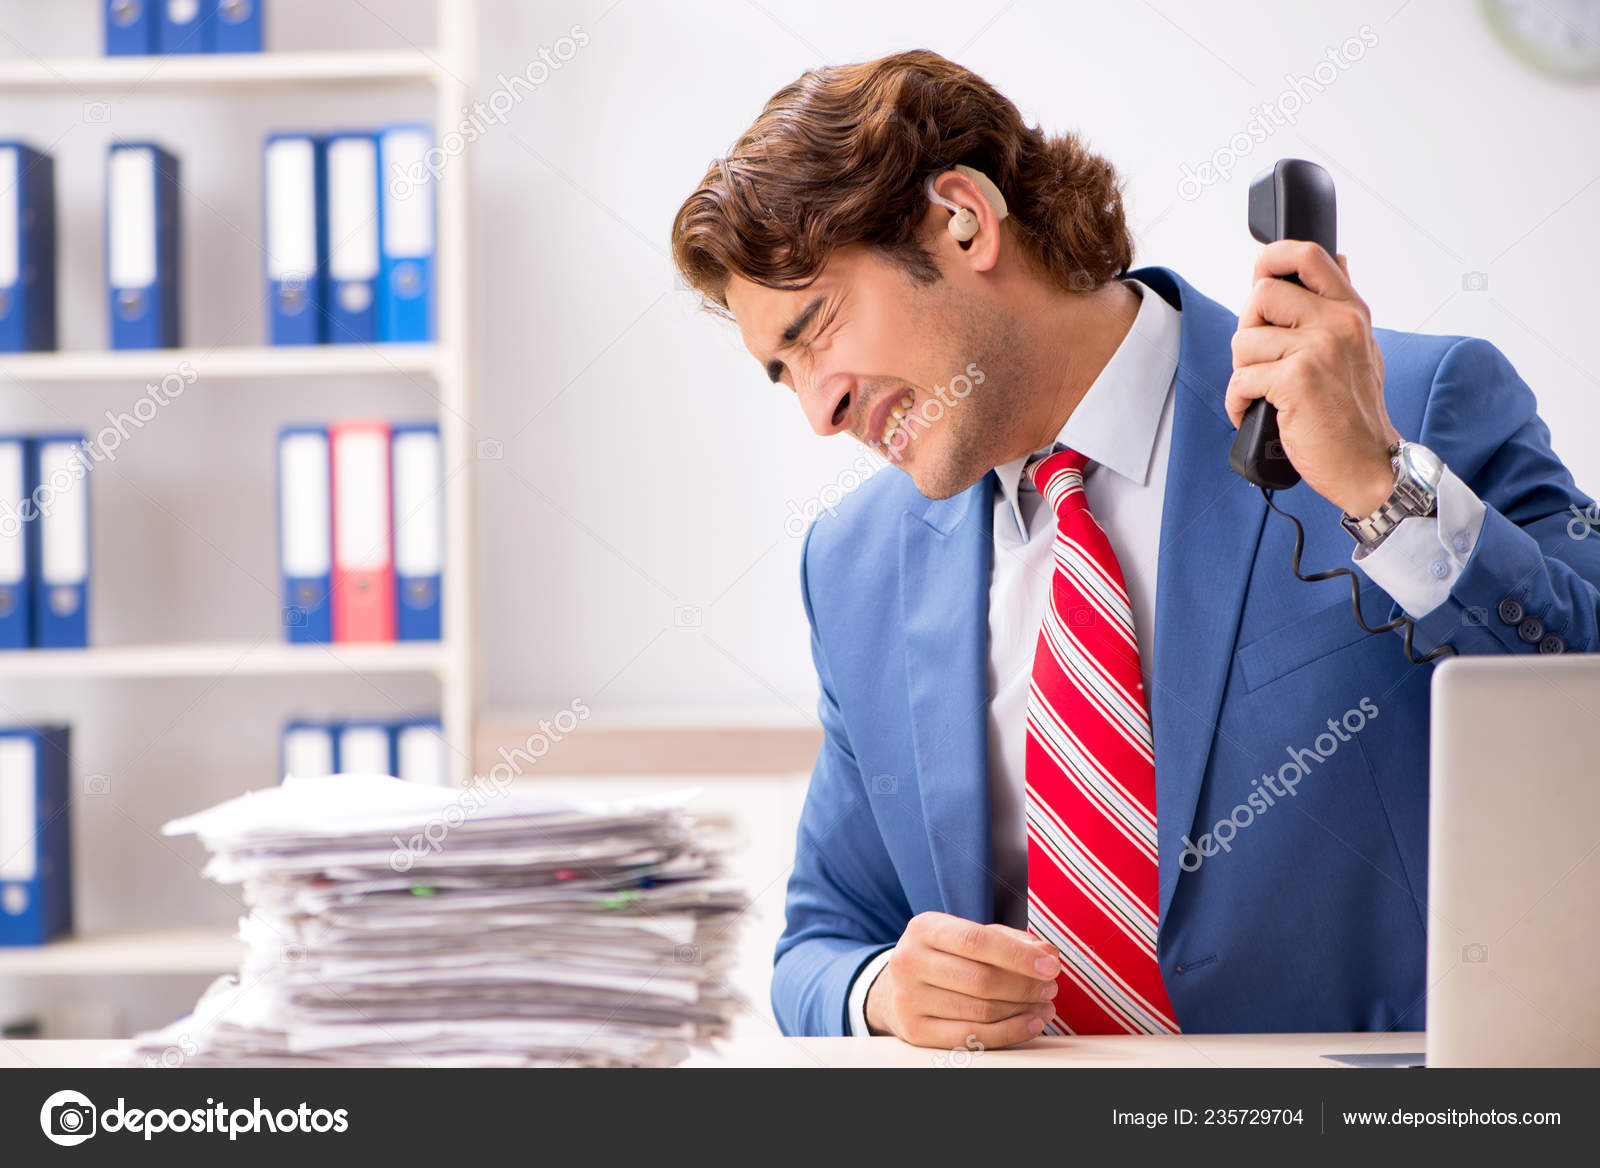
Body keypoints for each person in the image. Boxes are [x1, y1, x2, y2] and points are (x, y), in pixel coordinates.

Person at [670, 50, 1600, 1046]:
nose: (819, 407)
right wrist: (885, 992)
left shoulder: (1412, 405)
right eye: (785, 372)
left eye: (817, 330)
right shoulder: (853, 567)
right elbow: (822, 939)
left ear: (963, 220)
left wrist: (1382, 486)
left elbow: (1578, 703)